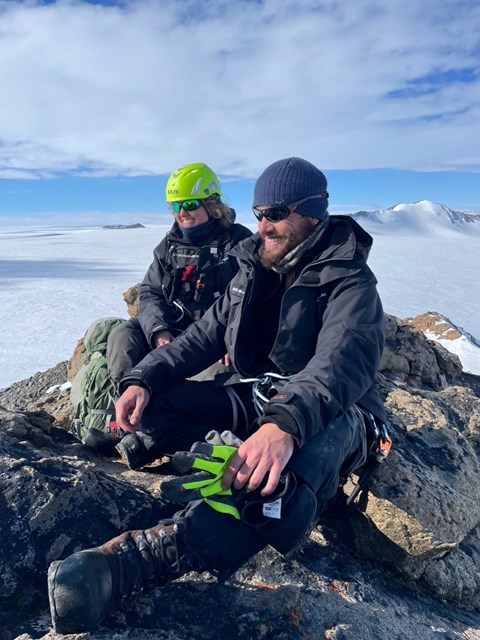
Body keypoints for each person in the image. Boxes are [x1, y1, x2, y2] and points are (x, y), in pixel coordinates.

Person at [48, 157, 388, 634]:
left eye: (275, 212)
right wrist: (142, 380)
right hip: (255, 399)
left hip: (332, 413)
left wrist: (282, 427)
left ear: (313, 211)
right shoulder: (255, 268)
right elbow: (200, 339)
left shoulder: (349, 280)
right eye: (258, 212)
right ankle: (209, 451)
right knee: (155, 409)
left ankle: (145, 557)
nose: (263, 224)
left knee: (279, 479)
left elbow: (341, 364)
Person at [84, 162, 252, 464]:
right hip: (174, 333)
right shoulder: (168, 246)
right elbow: (150, 293)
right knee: (123, 333)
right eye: (174, 205)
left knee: (214, 383)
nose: (181, 212)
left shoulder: (240, 244)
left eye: (189, 204)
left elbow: (251, 297)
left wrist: (232, 337)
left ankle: (155, 431)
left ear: (213, 204)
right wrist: (158, 330)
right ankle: (126, 419)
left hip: (214, 344)